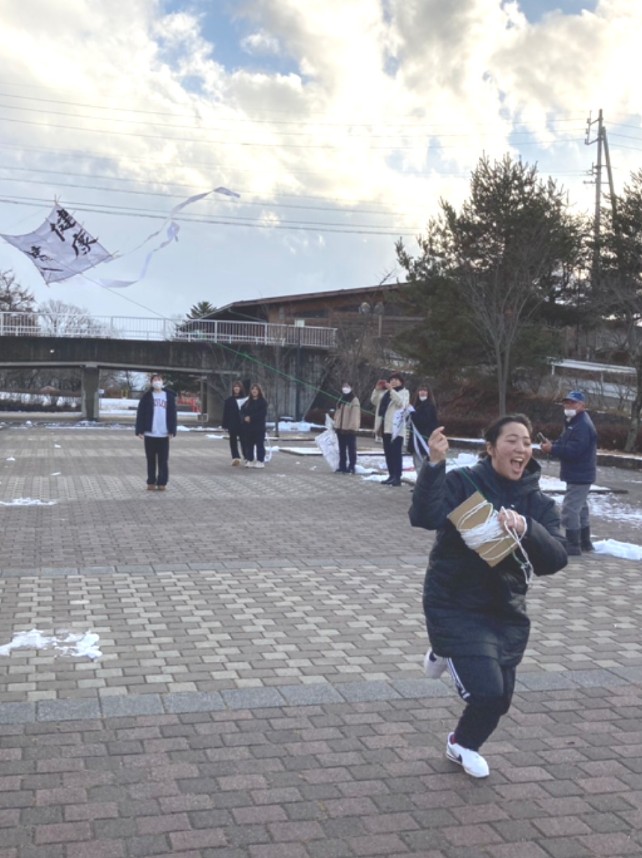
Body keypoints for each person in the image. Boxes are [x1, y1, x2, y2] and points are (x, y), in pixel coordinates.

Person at [409, 415, 567, 778]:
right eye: (512, 440)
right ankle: (447, 648)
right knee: (485, 690)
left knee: (500, 699)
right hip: (454, 601)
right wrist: (433, 465)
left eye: (526, 442)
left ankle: (462, 744)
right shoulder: (464, 483)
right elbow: (424, 516)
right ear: (492, 448)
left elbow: (556, 558)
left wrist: (527, 528)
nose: (521, 449)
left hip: (504, 608)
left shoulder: (538, 503)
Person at [540, 391, 598, 556]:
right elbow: (566, 442)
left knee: (570, 509)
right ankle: (584, 542)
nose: (568, 406)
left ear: (582, 406)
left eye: (573, 403)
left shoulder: (581, 425)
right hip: (579, 473)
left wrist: (553, 449)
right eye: (566, 403)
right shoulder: (573, 422)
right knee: (581, 508)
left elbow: (574, 451)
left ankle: (573, 545)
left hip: (580, 474)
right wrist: (553, 445)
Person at [135, 373, 178, 491]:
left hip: (164, 434)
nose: (157, 381)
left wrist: (172, 430)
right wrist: (140, 430)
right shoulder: (147, 397)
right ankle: (151, 481)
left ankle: (162, 482)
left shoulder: (168, 396)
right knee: (151, 460)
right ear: (151, 383)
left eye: (159, 379)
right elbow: (141, 414)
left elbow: (173, 415)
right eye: (155, 380)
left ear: (162, 382)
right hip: (150, 433)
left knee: (163, 460)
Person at [370, 372, 410, 486]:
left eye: (396, 380)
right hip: (385, 427)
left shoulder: (404, 392)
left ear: (401, 382)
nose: (393, 382)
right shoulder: (385, 393)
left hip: (397, 429)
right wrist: (377, 390)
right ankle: (391, 475)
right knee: (388, 453)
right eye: (391, 380)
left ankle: (397, 477)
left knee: (396, 453)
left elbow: (401, 403)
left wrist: (392, 391)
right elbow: (374, 401)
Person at [408, 383, 439, 472]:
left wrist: (413, 414)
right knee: (417, 464)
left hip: (425, 440)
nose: (422, 393)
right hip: (416, 440)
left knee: (424, 464)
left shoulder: (430, 406)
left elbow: (424, 421)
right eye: (421, 390)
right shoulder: (416, 405)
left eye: (425, 391)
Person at [333, 382, 361, 473]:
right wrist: (336, 424)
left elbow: (355, 415)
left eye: (347, 386)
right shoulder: (341, 398)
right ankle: (342, 466)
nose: (345, 388)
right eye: (344, 386)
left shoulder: (354, 399)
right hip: (340, 428)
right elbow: (338, 412)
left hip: (349, 429)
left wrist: (351, 427)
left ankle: (352, 466)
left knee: (351, 449)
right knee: (341, 449)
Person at [241, 383, 268, 468]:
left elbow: (262, 414)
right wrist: (244, 417)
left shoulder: (263, 402)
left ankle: (260, 461)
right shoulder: (247, 402)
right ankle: (249, 460)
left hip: (259, 428)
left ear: (259, 391)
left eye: (256, 389)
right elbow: (242, 411)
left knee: (260, 445)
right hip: (248, 428)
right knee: (249, 445)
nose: (254, 390)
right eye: (253, 389)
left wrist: (251, 418)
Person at [221, 380, 248, 466]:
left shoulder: (245, 399)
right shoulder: (229, 400)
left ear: (241, 388)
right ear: (233, 389)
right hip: (232, 423)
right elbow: (226, 413)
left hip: (242, 424)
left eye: (238, 387)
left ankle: (247, 457)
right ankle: (235, 457)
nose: (236, 388)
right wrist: (225, 424)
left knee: (244, 441)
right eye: (235, 387)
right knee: (233, 441)